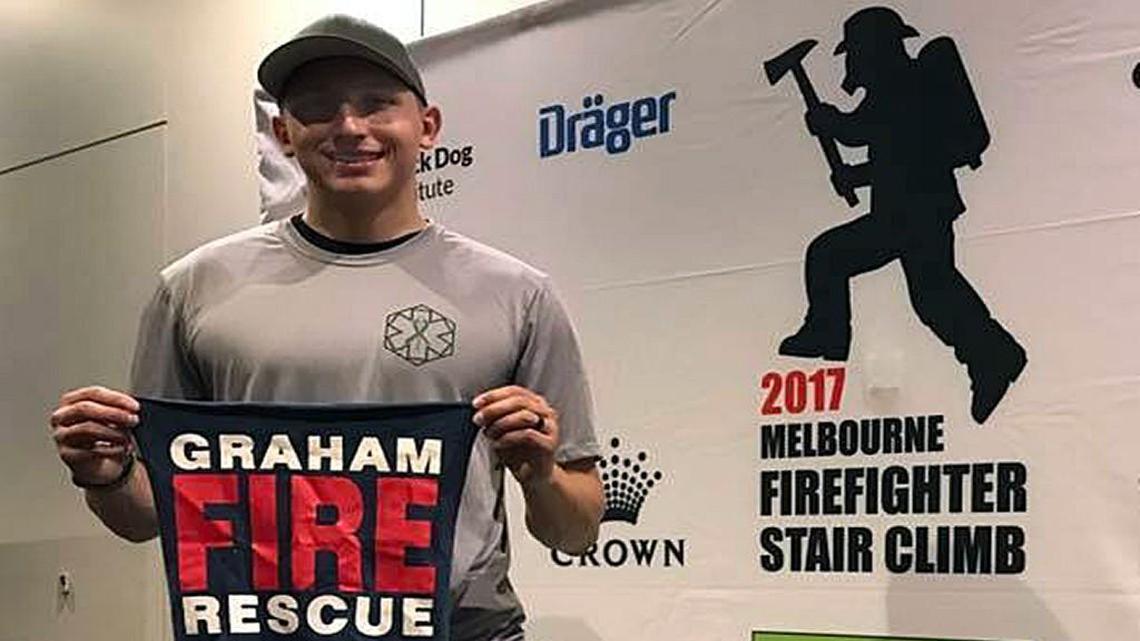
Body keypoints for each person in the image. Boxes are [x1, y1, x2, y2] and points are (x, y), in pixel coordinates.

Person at [48, 14, 603, 641]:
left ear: (427, 127)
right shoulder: (194, 288)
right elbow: (149, 516)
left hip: (462, 629)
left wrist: (540, 473)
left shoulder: (517, 294)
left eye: (376, 106)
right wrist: (105, 473)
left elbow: (577, 529)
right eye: (318, 109)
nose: (348, 127)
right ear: (285, 134)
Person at [777, 7, 1027, 424]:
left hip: (913, 212)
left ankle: (830, 334)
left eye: (854, 53)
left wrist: (830, 121)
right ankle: (994, 354)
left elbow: (867, 130)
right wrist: (855, 173)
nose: (852, 64)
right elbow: (901, 156)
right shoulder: (896, 88)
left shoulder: (901, 85)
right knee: (932, 291)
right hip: (914, 208)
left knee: (831, 255)